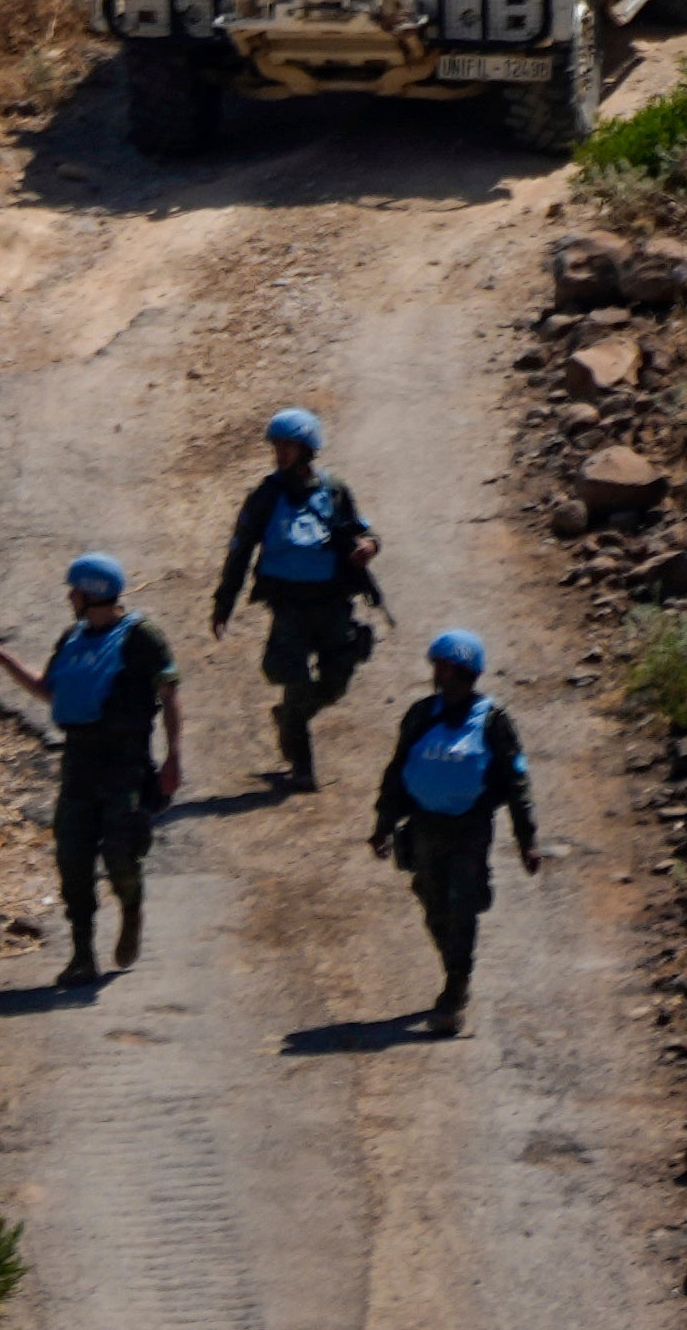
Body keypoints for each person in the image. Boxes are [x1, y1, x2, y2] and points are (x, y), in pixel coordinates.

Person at [0, 555, 183, 990]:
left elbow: (170, 695)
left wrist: (174, 756)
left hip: (125, 764)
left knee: (120, 852)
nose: (70, 598)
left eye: (75, 591)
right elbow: (49, 690)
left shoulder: (142, 637)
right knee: (73, 857)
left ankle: (131, 906)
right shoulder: (72, 638)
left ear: (91, 593)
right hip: (79, 765)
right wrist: (4, 660)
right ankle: (83, 955)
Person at [367, 631, 541, 1035]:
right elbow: (397, 772)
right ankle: (455, 968)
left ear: (466, 672)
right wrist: (383, 825)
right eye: (438, 668)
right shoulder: (420, 715)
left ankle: (455, 989)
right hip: (423, 828)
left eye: (447, 668)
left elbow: (517, 782)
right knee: (434, 907)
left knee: (462, 906)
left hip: (469, 829)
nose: (440, 676)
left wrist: (527, 840)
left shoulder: (493, 721)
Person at [212, 407, 380, 792]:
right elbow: (240, 552)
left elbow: (363, 532)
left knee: (336, 683)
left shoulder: (334, 491)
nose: (281, 453)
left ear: (307, 449)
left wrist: (369, 546)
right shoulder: (266, 496)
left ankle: (289, 717)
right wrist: (223, 604)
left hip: (332, 602)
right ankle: (302, 764)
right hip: (289, 606)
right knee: (295, 679)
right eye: (277, 446)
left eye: (289, 446)